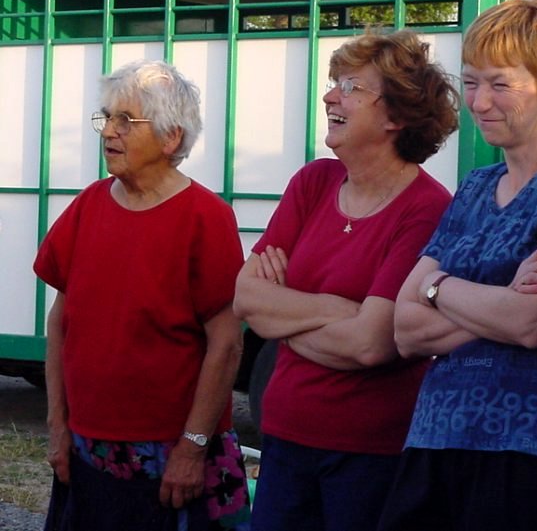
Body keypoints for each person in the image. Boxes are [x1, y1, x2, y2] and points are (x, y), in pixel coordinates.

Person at [377, 0, 537, 531]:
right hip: (433, 438)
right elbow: (404, 328)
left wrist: (436, 288)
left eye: (500, 84)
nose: (478, 102)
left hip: (526, 448)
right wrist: (489, 301)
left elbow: (532, 322)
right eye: (471, 82)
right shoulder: (475, 186)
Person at [232, 29, 458, 531]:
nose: (331, 97)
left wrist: (283, 314)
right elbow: (246, 296)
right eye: (335, 83)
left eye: (351, 87)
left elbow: (371, 344)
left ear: (396, 115)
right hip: (284, 436)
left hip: (370, 454)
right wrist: (336, 310)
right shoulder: (313, 182)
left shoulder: (426, 208)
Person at [35, 60, 251, 531]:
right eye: (107, 117)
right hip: (89, 448)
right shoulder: (88, 206)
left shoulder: (206, 217)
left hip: (172, 455)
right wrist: (57, 426)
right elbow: (60, 322)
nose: (109, 131)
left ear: (171, 137)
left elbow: (226, 344)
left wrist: (192, 447)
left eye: (125, 120)